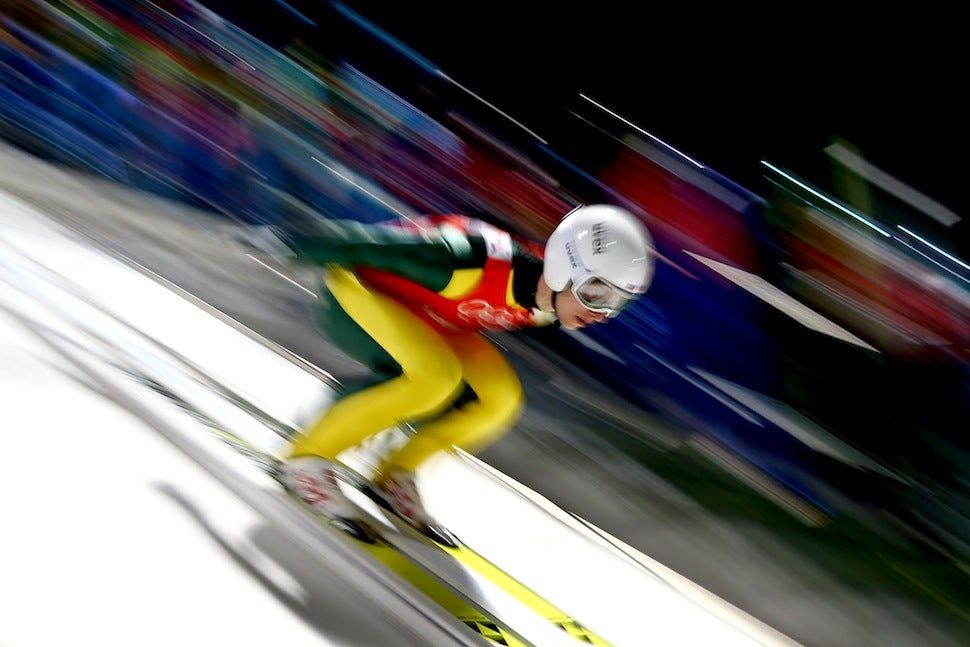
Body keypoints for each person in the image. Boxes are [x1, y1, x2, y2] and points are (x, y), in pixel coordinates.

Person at [279, 204, 654, 542]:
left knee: (499, 397)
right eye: (597, 293)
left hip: (424, 312)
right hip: (354, 287)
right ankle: (306, 459)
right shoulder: (467, 261)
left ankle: (395, 472)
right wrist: (287, 241)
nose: (602, 313)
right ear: (564, 268)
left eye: (618, 303)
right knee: (435, 377)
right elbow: (365, 243)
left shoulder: (548, 301)